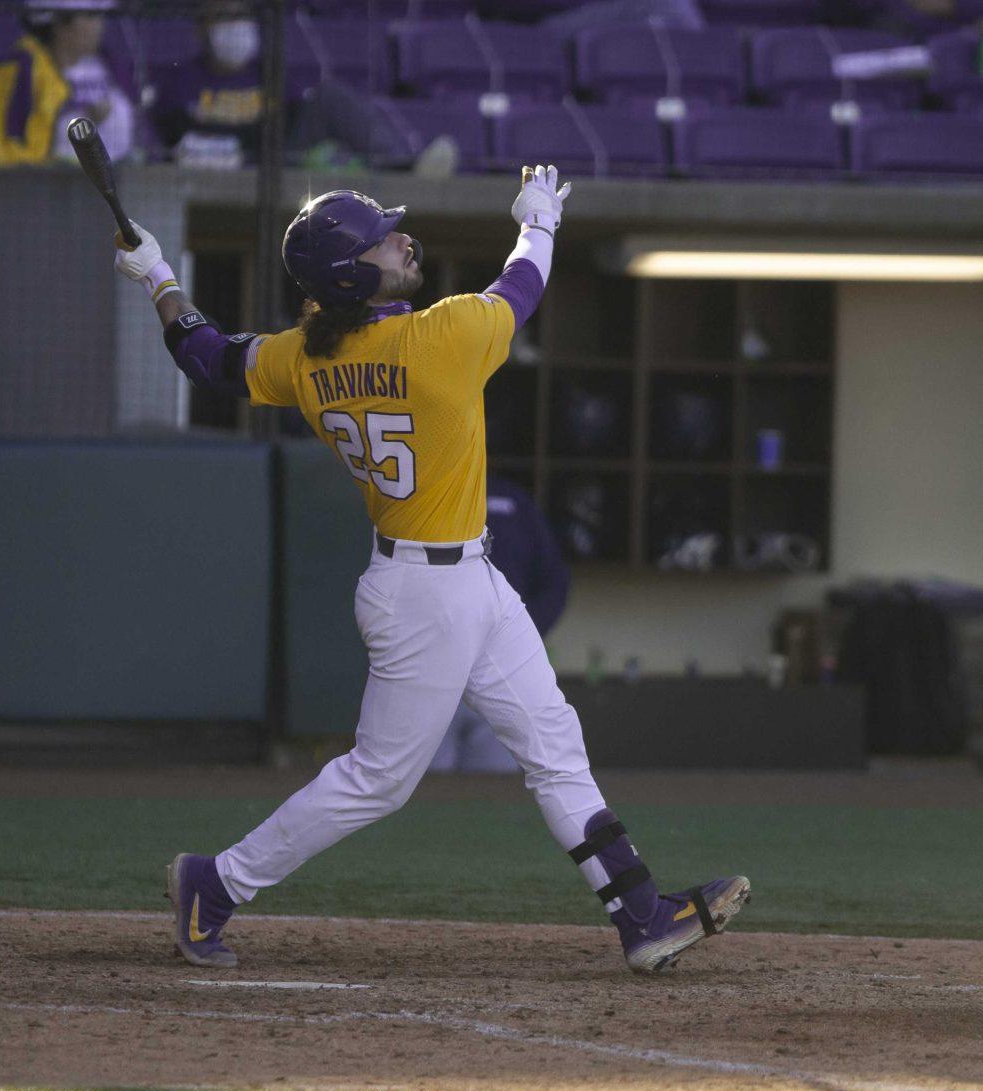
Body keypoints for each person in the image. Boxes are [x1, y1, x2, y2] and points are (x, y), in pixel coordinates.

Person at [112, 166, 751, 975]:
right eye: (383, 239)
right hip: (425, 596)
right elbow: (523, 280)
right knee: (378, 779)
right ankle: (216, 882)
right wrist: (540, 215)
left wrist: (160, 275)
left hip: (463, 579)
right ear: (352, 273)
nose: (402, 240)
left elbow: (206, 356)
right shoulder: (441, 337)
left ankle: (640, 912)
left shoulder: (304, 360)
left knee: (554, 743)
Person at [429, 472, 570, 773]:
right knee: (420, 786)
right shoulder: (429, 500)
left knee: (495, 787)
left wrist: (522, 634)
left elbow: (554, 582)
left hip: (501, 668)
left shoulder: (515, 503)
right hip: (437, 663)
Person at [0, 0, 138, 167]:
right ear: (59, 25)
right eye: (91, 16)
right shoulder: (24, 68)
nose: (99, 26)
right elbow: (7, 149)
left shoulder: (109, 65)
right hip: (47, 184)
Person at [153, 0, 264, 169]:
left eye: (242, 16)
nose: (235, 25)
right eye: (224, 16)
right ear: (201, 29)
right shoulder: (180, 82)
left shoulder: (271, 78)